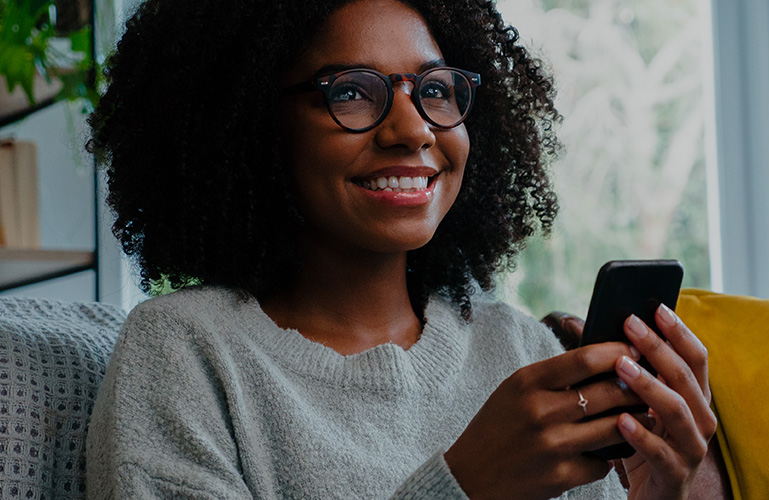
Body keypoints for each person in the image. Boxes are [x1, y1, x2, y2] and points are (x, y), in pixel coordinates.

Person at [85, 0, 717, 498]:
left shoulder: (519, 351)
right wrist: (465, 486)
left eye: (435, 89)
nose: (413, 128)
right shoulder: (183, 356)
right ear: (246, 119)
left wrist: (660, 496)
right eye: (353, 91)